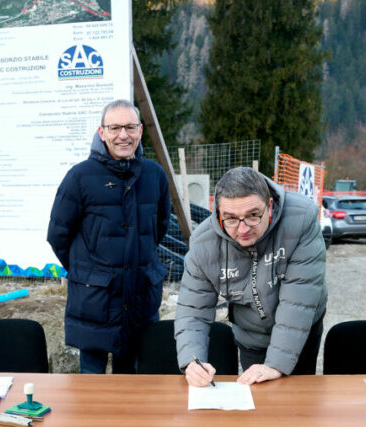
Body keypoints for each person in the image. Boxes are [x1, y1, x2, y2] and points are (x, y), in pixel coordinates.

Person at [47, 99, 170, 374]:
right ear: (102, 133)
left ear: (140, 131)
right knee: (92, 384)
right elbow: (58, 235)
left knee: (133, 386)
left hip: (140, 296)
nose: (123, 135)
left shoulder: (155, 176)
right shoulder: (79, 177)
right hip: (95, 302)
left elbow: (159, 228)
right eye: (114, 128)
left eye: (129, 127)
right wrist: (88, 271)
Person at [175, 167, 327, 386]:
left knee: (295, 401)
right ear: (218, 214)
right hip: (251, 334)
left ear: (270, 207)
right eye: (231, 219)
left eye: (253, 216)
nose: (243, 229)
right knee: (257, 398)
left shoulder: (301, 219)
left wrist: (276, 364)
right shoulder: (203, 244)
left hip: (301, 330)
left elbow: (299, 300)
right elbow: (192, 311)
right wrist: (192, 361)